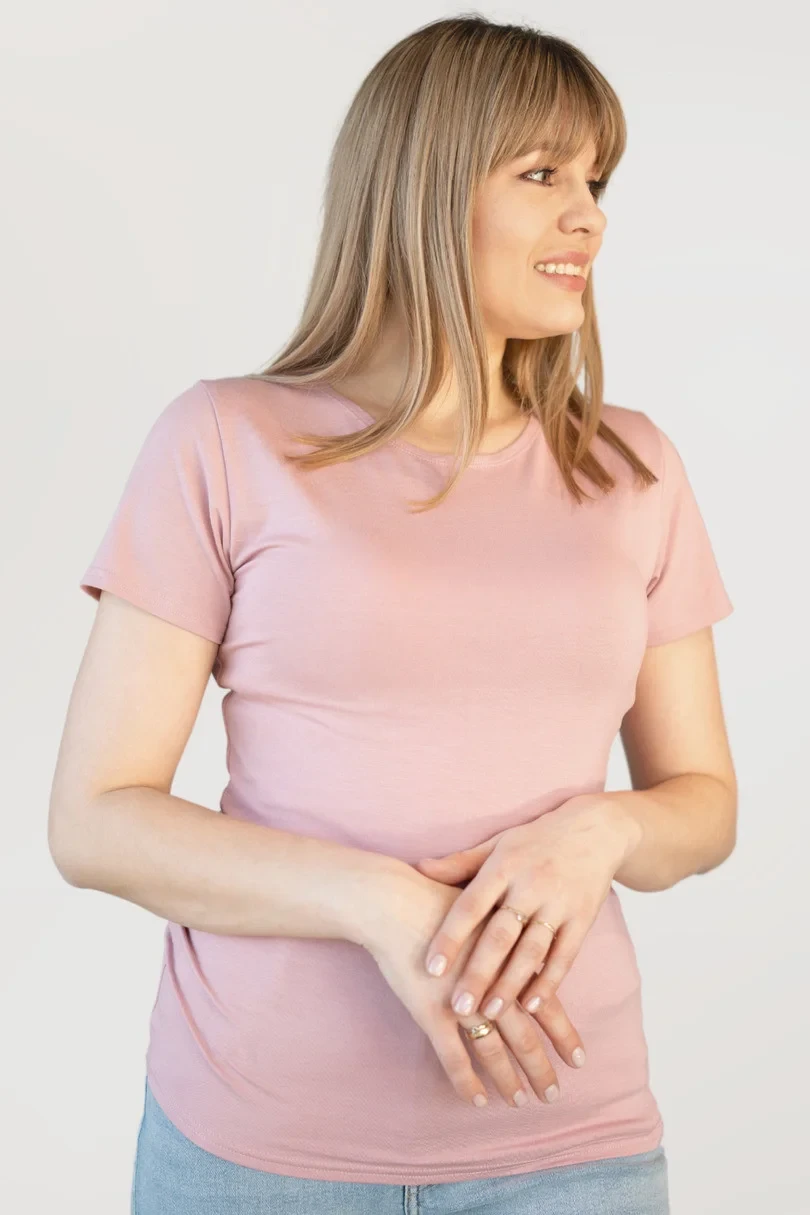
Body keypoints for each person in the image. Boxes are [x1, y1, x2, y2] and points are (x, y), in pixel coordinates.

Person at [49, 14, 736, 1215]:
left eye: (597, 182)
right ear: (424, 186)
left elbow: (704, 805)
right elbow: (96, 822)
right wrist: (381, 904)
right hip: (258, 1151)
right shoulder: (226, 440)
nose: (589, 217)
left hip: (571, 1146)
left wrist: (604, 831)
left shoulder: (635, 470)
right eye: (544, 174)